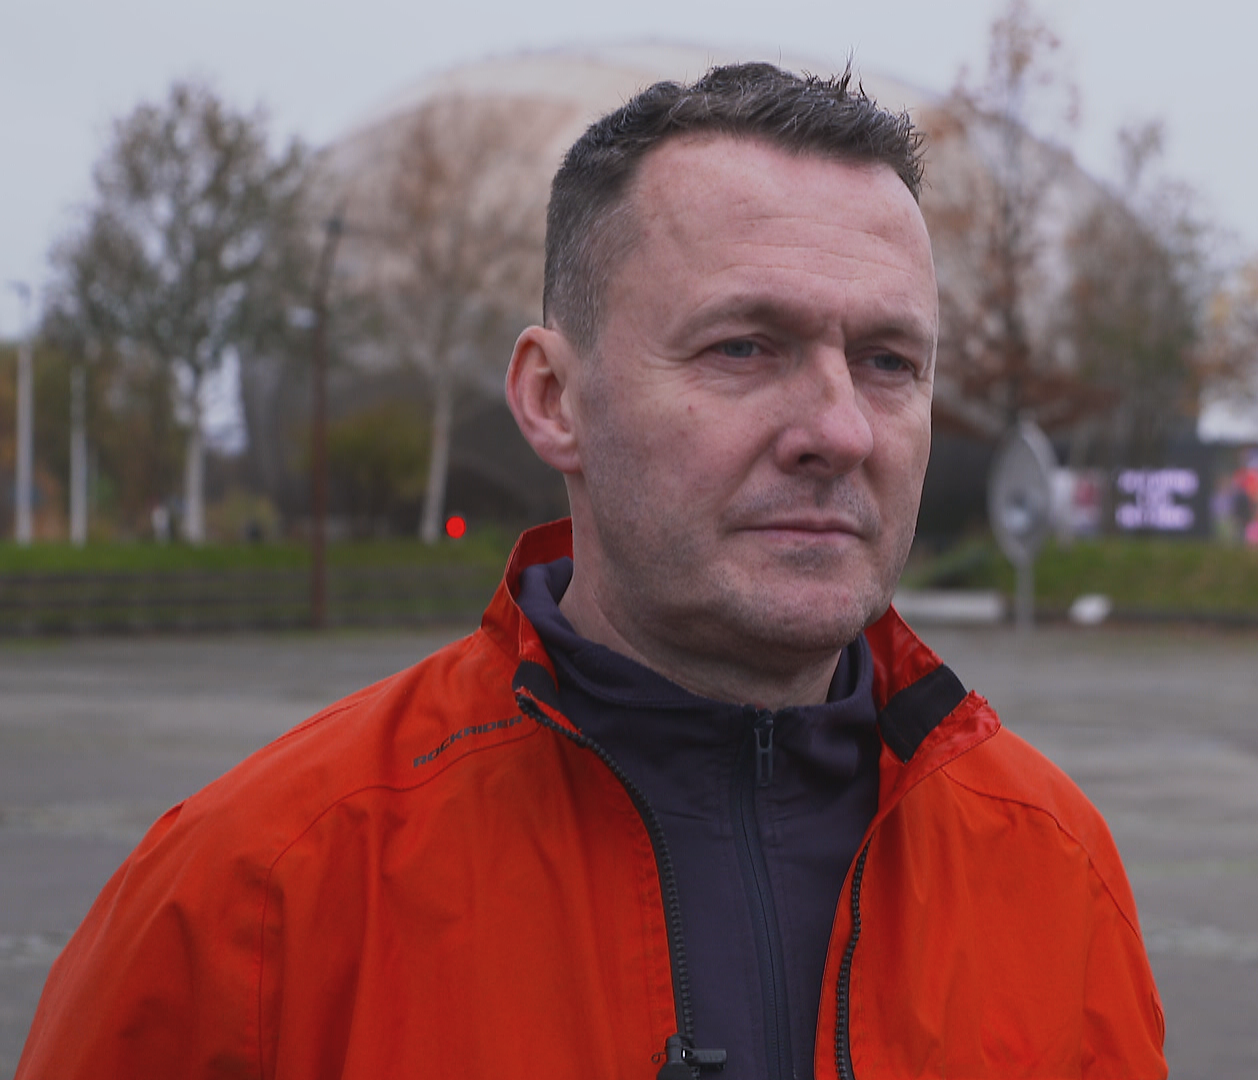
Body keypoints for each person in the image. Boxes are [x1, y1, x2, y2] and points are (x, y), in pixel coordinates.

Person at [19, 63, 1166, 1080]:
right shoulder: (259, 890)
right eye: (744, 348)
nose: (840, 429)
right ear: (552, 398)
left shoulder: (1053, 868)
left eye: (887, 361)